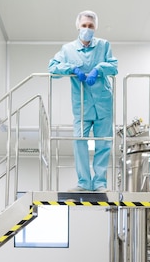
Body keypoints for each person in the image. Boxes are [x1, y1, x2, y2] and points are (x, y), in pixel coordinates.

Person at [48, 10, 118, 192]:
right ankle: (84, 183)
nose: (87, 29)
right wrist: (71, 68)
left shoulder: (104, 45)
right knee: (79, 141)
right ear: (78, 26)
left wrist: (98, 69)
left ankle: (100, 183)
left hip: (103, 102)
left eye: (91, 26)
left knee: (103, 143)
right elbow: (53, 69)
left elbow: (113, 66)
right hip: (82, 105)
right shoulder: (67, 50)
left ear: (95, 28)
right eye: (84, 25)